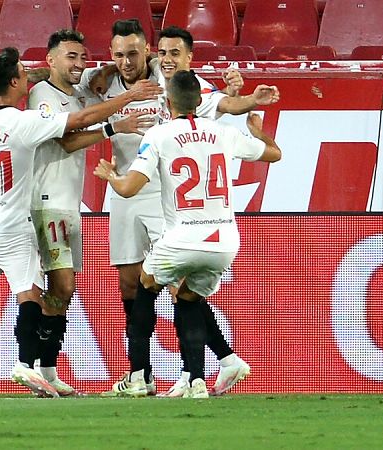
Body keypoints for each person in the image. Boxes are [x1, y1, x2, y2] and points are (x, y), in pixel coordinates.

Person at [0, 47, 161, 398]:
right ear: (14, 82)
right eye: (23, 73)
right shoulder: (24, 123)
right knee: (30, 295)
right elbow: (75, 122)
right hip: (13, 225)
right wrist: (128, 99)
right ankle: (26, 365)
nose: (28, 76)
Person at [93, 69, 281, 397]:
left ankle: (138, 375)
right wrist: (258, 132)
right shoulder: (222, 132)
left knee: (146, 289)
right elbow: (274, 154)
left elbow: (129, 188)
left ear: (168, 102)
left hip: (181, 237)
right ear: (201, 100)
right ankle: (196, 380)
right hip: (224, 241)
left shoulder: (160, 135)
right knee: (191, 297)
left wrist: (110, 175)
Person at [28, 29, 155, 396]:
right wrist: (117, 123)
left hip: (68, 204)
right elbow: (67, 140)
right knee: (60, 286)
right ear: (51, 60)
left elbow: (103, 73)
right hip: (47, 201)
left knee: (61, 291)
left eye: (82, 57)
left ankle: (46, 373)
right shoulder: (43, 95)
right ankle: (34, 365)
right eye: (70, 57)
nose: (78, 64)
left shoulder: (79, 88)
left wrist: (105, 72)